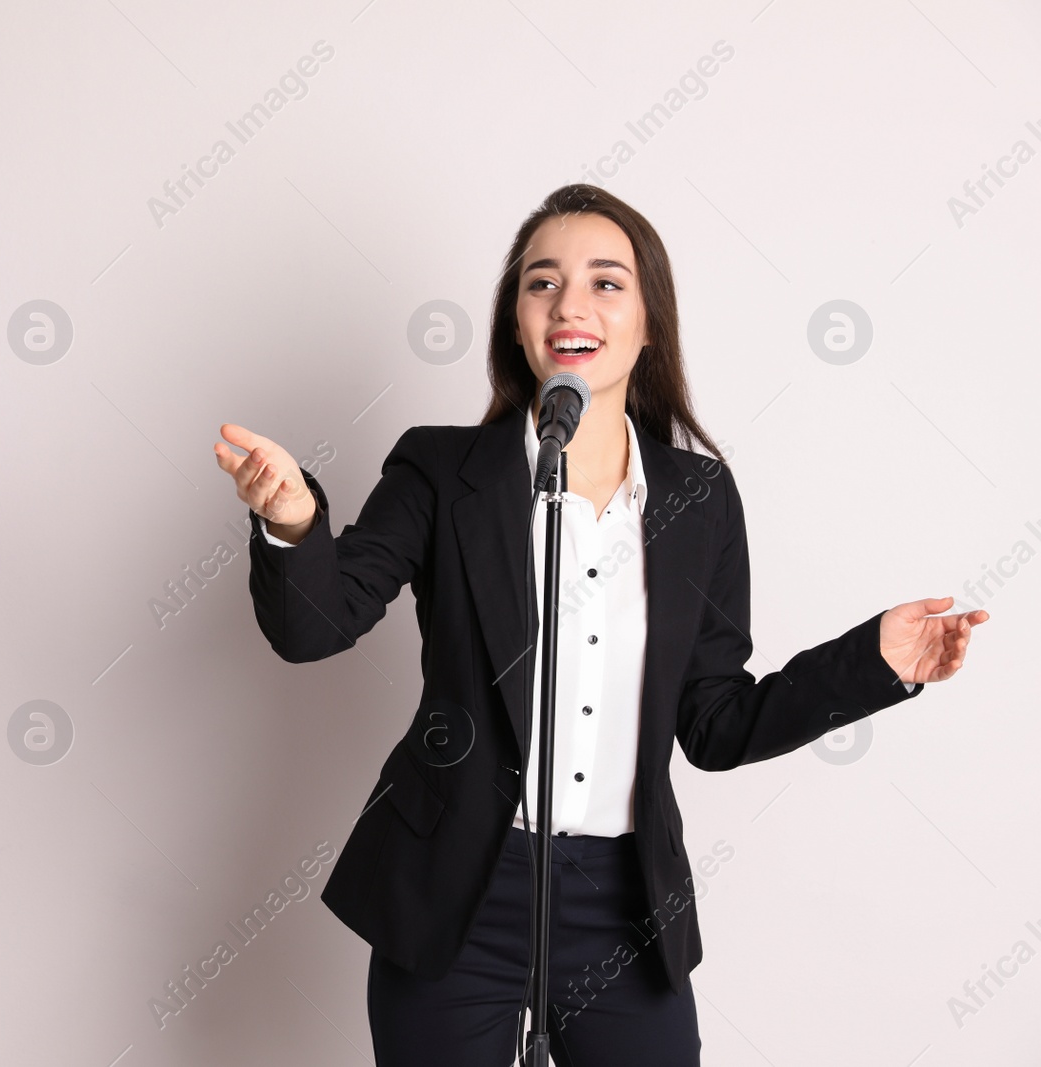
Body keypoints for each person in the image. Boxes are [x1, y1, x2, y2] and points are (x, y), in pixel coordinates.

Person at [212, 183, 989, 1065]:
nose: (570, 304)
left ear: (650, 323)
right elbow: (316, 626)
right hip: (455, 890)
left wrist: (871, 665)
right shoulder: (439, 469)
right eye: (542, 282)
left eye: (606, 282)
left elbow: (714, 721)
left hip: (622, 905)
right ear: (516, 320)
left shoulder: (698, 498)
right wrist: (293, 523)